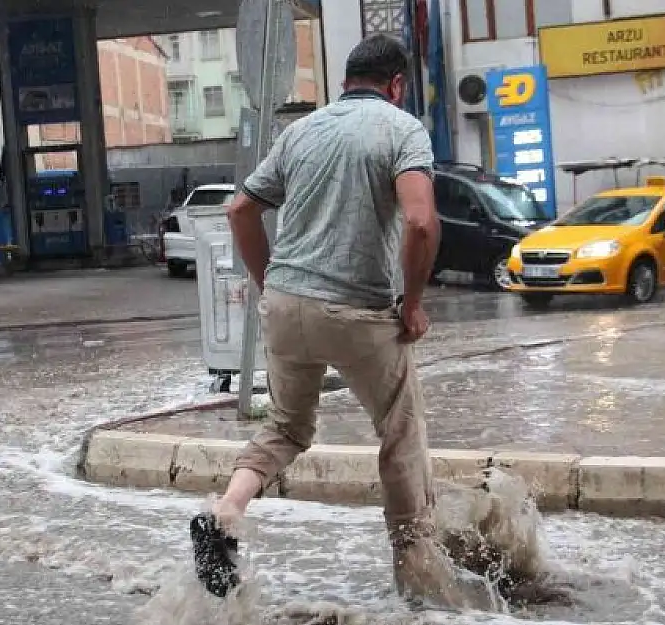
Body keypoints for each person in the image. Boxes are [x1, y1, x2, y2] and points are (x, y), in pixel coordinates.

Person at [187, 33, 494, 609]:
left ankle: (225, 512)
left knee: (285, 428)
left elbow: (240, 209)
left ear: (347, 79)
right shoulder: (402, 130)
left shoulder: (300, 132)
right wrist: (412, 303)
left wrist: (269, 282)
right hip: (358, 312)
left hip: (285, 304)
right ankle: (417, 577)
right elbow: (423, 224)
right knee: (400, 434)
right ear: (396, 85)